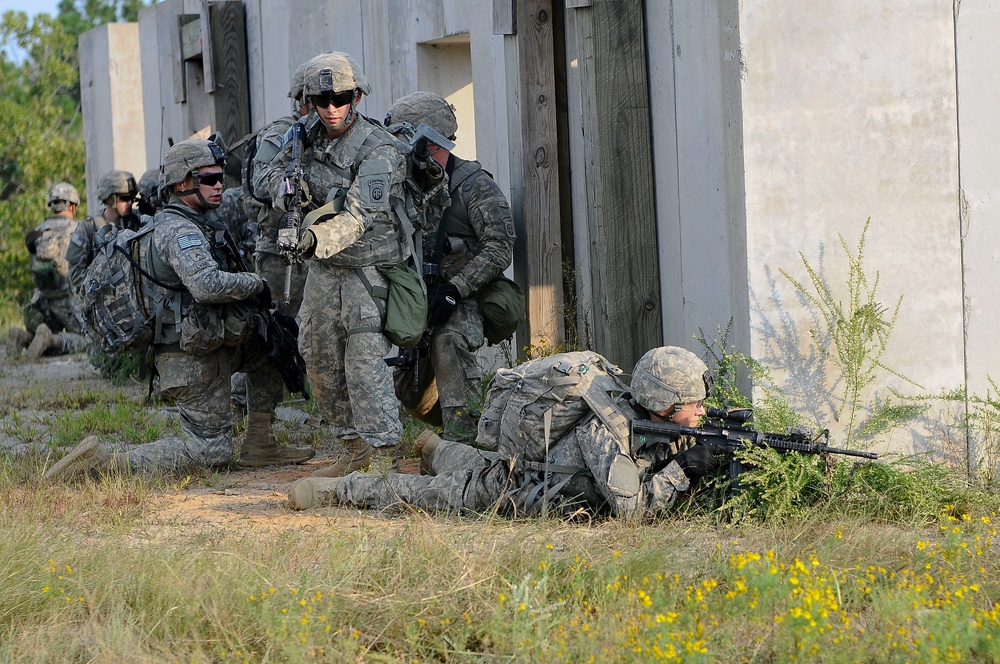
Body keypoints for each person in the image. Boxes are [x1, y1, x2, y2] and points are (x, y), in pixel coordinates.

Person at [43, 138, 314, 481]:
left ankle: (260, 441)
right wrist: (256, 283)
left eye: (221, 177)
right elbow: (206, 285)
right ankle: (108, 464)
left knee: (272, 345)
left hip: (208, 343)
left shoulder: (193, 221)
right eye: (210, 179)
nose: (220, 185)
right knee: (210, 451)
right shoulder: (178, 229)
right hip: (188, 358)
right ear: (183, 183)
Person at [289, 346, 719, 519]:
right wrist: (684, 470)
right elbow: (632, 511)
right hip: (517, 486)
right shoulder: (606, 430)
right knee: (432, 495)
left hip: (531, 466)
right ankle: (336, 490)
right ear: (663, 404)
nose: (701, 411)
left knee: (479, 465)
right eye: (693, 405)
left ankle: (438, 448)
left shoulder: (648, 419)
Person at [255, 51, 410, 477]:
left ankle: (383, 455)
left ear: (357, 96)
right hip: (324, 271)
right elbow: (261, 174)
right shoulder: (301, 136)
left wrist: (312, 237)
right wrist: (285, 189)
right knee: (318, 355)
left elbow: (361, 215)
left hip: (367, 269)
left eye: (341, 98)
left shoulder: (379, 149)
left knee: (363, 360)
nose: (332, 108)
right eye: (322, 101)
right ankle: (353, 444)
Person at [383, 91, 516, 440]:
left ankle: (466, 439)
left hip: (466, 296)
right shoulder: (404, 183)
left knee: (448, 340)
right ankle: (456, 426)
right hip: (419, 296)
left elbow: (500, 248)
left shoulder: (475, 186)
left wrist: (456, 288)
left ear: (428, 142)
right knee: (413, 396)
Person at [7, 183, 90, 360]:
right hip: (70, 300)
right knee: (87, 340)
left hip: (42, 299)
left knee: (43, 333)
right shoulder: (79, 229)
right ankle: (50, 340)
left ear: (52, 205)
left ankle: (23, 337)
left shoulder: (38, 231)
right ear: (73, 206)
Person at [66, 169, 142, 297]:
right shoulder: (88, 228)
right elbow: (75, 275)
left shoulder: (139, 220)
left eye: (132, 198)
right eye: (125, 198)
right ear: (109, 199)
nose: (130, 203)